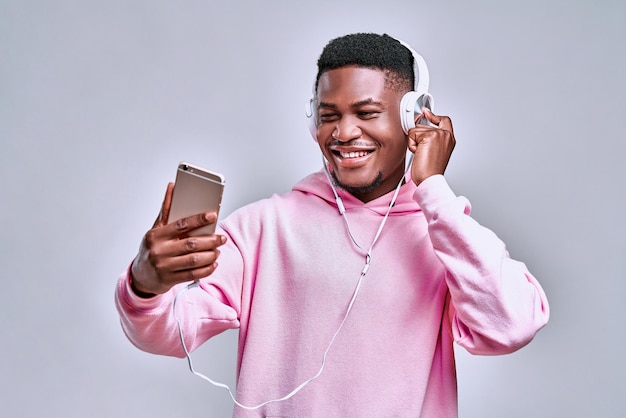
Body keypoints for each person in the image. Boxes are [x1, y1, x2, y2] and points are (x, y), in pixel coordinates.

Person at [115, 33, 549, 417]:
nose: (344, 132)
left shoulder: (445, 232)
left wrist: (431, 186)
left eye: (367, 112)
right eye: (328, 115)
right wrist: (145, 285)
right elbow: (169, 335)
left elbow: (510, 325)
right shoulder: (263, 227)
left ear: (414, 119)